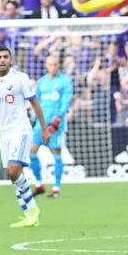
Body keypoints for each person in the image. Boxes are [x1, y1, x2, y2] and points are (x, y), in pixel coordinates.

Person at [0, 46, 51, 227]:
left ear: (10, 59)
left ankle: (33, 210)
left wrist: (44, 128)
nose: (2, 60)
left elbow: (35, 103)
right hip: (4, 132)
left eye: (6, 57)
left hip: (21, 129)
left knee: (14, 169)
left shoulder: (20, 78)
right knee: (12, 175)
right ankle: (29, 215)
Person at [30, 55, 73, 198]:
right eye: (50, 64)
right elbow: (36, 103)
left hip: (56, 125)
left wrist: (59, 118)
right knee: (31, 154)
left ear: (58, 65)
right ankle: (38, 183)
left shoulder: (65, 81)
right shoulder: (41, 82)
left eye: (55, 64)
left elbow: (66, 101)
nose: (53, 67)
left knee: (57, 156)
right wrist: (35, 120)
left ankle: (56, 187)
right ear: (46, 66)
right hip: (40, 125)